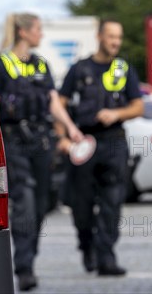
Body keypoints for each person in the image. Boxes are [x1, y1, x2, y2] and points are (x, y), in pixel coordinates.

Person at [0, 13, 83, 291]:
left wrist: (70, 128)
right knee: (26, 200)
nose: (41, 34)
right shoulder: (1, 65)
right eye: (39, 29)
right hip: (14, 140)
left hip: (41, 142)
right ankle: (24, 267)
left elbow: (53, 102)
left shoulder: (41, 65)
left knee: (42, 203)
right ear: (23, 32)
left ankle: (29, 258)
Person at [58, 19, 144, 276]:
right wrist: (62, 138)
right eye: (111, 36)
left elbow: (138, 106)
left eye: (119, 37)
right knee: (81, 204)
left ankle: (106, 257)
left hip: (114, 141)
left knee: (113, 202)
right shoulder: (79, 69)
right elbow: (59, 104)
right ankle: (87, 247)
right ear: (99, 37)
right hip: (83, 143)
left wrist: (116, 114)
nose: (116, 42)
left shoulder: (123, 69)